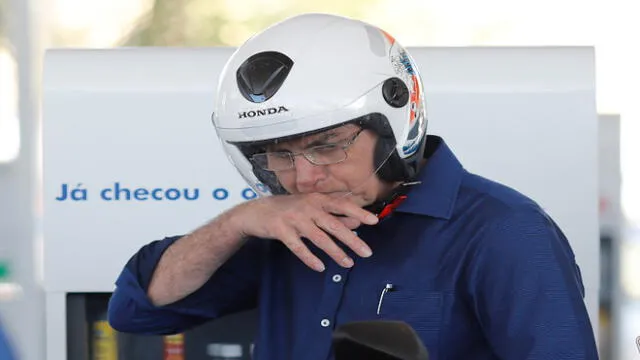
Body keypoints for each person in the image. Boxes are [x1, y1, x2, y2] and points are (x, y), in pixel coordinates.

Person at [108, 13, 599, 360]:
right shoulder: (283, 230)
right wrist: (236, 223)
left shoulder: (503, 231)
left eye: (327, 147)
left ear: (396, 120)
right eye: (278, 155)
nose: (302, 178)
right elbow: (137, 311)